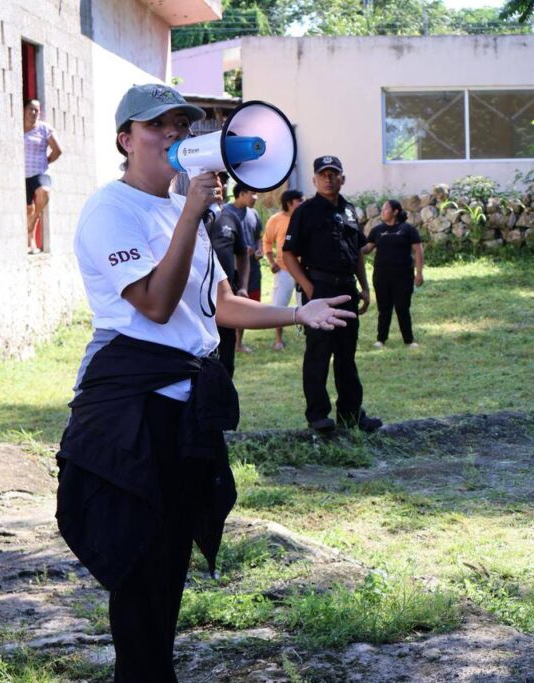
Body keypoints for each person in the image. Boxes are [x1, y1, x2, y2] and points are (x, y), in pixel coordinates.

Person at [56, 83, 354, 682]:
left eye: (181, 123)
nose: (173, 133)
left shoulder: (178, 211)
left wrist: (298, 313)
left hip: (184, 411)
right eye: (156, 125)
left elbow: (220, 305)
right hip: (134, 411)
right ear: (125, 139)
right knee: (140, 568)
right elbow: (155, 304)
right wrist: (193, 213)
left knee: (168, 562)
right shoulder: (111, 210)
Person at [282, 155, 383, 434]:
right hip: (320, 288)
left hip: (347, 289)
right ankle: (317, 415)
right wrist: (309, 288)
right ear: (314, 180)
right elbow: (288, 254)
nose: (328, 179)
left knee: (346, 354)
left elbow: (358, 252)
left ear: (342, 178)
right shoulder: (305, 211)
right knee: (318, 352)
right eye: (323, 174)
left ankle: (350, 414)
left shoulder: (349, 210)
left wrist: (364, 287)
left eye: (333, 174)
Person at [363, 199, 424, 349]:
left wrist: (419, 273)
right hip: (381, 276)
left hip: (403, 275)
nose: (382, 212)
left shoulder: (407, 229)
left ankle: (409, 340)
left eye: (385, 209)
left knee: (402, 308)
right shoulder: (377, 230)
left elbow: (418, 250)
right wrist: (351, 247)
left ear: (395, 211)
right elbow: (367, 249)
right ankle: (381, 339)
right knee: (384, 308)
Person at [208, 181, 250, 377]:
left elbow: (242, 254)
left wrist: (243, 286)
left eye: (222, 180)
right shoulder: (184, 215)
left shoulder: (231, 217)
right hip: (194, 303)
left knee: (226, 360)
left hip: (226, 300)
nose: (218, 185)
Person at [221, 184, 263, 354]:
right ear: (242, 193)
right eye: (253, 193)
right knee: (230, 305)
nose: (255, 198)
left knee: (246, 303)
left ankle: (239, 343)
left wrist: (259, 249)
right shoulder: (224, 212)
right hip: (231, 269)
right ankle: (227, 342)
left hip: (252, 267)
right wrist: (237, 252)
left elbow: (258, 236)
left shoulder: (254, 214)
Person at [264, 190, 304, 350]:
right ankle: (278, 339)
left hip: (304, 270)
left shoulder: (305, 218)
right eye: (299, 200)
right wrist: (271, 262)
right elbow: (267, 241)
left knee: (305, 303)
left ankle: (307, 335)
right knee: (279, 305)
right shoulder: (276, 220)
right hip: (284, 270)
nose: (302, 203)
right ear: (289, 203)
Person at [24, 98, 62, 254]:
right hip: (22, 175)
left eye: (37, 110)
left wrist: (46, 161)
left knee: (44, 192)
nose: (33, 112)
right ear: (24, 110)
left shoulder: (44, 128)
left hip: (40, 171)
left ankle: (33, 220)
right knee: (28, 209)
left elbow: (58, 150)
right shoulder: (17, 127)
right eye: (31, 109)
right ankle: (31, 243)